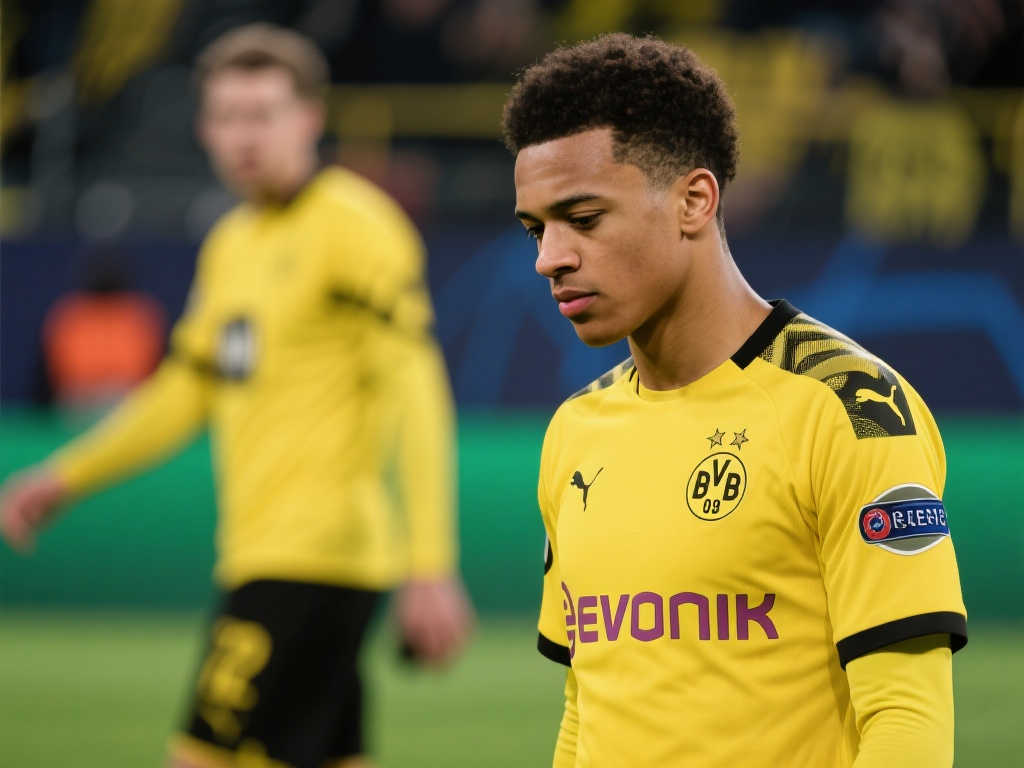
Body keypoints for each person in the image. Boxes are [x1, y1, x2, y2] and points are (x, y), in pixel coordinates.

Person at [1, 23, 472, 768]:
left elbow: (415, 389)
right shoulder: (232, 244)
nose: (245, 136)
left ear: (309, 118)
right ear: (204, 129)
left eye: (263, 114)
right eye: (227, 116)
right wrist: (66, 476)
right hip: (267, 552)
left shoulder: (357, 228)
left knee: (199, 757)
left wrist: (431, 561)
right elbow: (185, 392)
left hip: (311, 557)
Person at [503, 33, 966, 767]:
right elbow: (584, 711)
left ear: (694, 200)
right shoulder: (575, 430)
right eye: (537, 229)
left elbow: (907, 719)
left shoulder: (852, 408)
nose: (548, 258)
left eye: (583, 219)